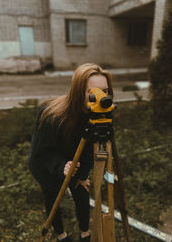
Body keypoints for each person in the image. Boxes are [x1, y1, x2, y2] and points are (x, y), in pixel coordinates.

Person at [29, 63, 114, 242]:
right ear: (77, 92)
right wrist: (61, 166)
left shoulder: (96, 115)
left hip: (76, 165)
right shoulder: (51, 115)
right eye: (93, 91)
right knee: (53, 197)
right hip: (48, 167)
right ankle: (61, 234)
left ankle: (85, 233)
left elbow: (91, 149)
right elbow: (40, 154)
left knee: (82, 193)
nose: (101, 97)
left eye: (105, 91)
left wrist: (81, 174)